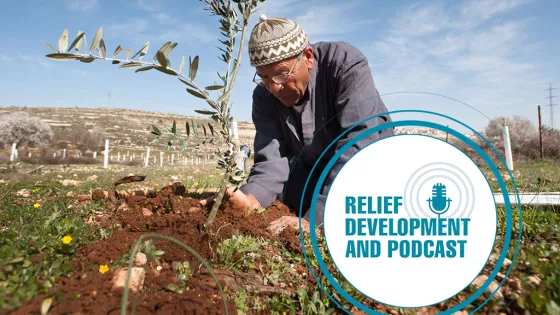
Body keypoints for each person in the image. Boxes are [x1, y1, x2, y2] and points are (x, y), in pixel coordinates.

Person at [201, 15, 393, 235]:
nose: (274, 88)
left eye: (282, 74)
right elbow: (272, 159)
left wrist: (317, 217)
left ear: (308, 57)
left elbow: (360, 141)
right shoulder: (264, 96)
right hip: (317, 166)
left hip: (370, 161)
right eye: (264, 77)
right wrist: (251, 198)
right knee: (288, 196)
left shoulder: (345, 65)